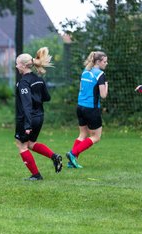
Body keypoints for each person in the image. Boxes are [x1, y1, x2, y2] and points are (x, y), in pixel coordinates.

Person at [14, 47, 63, 181]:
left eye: (17, 63)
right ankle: (54, 157)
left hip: (28, 118)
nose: (16, 65)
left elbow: (26, 105)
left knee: (21, 145)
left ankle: (36, 175)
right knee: (30, 144)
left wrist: (27, 125)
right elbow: (47, 97)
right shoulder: (38, 79)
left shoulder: (24, 82)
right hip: (39, 116)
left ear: (23, 66)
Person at [66, 51, 108, 168]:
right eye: (105, 61)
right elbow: (103, 95)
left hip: (80, 107)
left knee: (82, 134)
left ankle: (71, 162)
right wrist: (106, 84)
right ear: (98, 62)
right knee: (96, 137)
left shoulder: (85, 71)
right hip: (91, 109)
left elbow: (81, 88)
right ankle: (72, 154)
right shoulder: (100, 74)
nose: (106, 63)